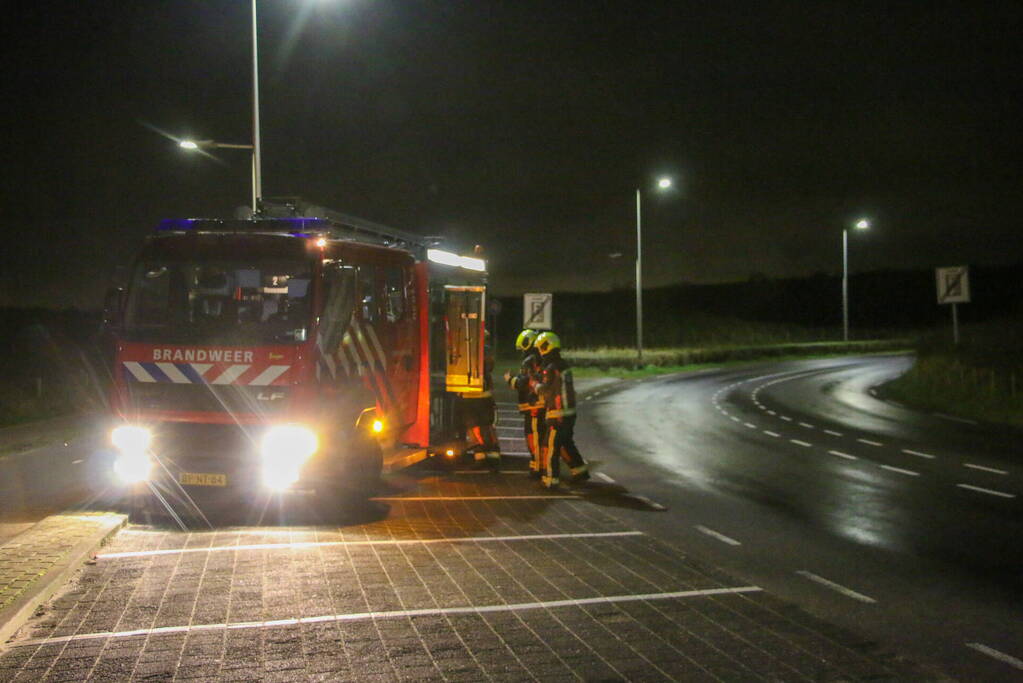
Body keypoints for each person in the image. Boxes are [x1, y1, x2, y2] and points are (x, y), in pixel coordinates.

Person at [533, 331, 589, 488]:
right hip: (568, 412)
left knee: (551, 446)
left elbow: (547, 390)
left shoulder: (551, 367)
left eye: (540, 347)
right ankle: (580, 471)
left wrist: (534, 385)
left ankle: (550, 479)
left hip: (558, 413)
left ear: (546, 346)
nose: (539, 351)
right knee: (566, 443)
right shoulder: (563, 365)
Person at [503, 329, 545, 478]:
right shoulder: (539, 358)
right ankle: (537, 466)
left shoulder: (529, 361)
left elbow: (523, 383)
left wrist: (509, 379)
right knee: (536, 437)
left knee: (533, 437)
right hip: (536, 406)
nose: (521, 352)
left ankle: (538, 468)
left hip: (533, 406)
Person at [461, 329, 501, 469]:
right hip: (484, 396)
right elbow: (490, 366)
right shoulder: (487, 351)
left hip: (471, 396)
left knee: (475, 426)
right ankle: (493, 455)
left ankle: (481, 456)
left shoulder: (467, 349)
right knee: (486, 426)